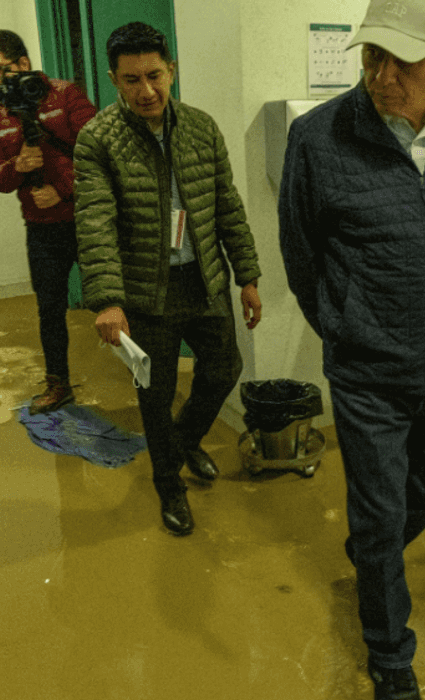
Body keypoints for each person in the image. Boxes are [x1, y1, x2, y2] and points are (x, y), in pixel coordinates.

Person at [278, 0, 425, 697]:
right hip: (366, 365)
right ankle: (389, 655)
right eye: (370, 56)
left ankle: (372, 558)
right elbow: (299, 248)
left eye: (399, 62)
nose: (379, 76)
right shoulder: (317, 137)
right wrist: (343, 323)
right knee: (378, 512)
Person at [75, 22, 262, 536]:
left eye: (154, 75)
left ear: (171, 70)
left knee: (224, 369)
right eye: (131, 79)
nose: (146, 90)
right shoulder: (98, 140)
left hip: (204, 281)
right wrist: (108, 301)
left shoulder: (201, 128)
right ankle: (170, 485)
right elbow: (94, 221)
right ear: (114, 80)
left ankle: (183, 444)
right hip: (142, 293)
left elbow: (226, 204)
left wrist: (246, 274)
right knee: (153, 396)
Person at [0, 29, 96, 413]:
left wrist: (64, 190)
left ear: (23, 63)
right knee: (49, 310)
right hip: (41, 230)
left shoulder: (65, 95)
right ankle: (58, 383)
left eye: (0, 70)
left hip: (89, 219)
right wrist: (18, 166)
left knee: (116, 300)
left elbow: (98, 155)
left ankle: (148, 374)